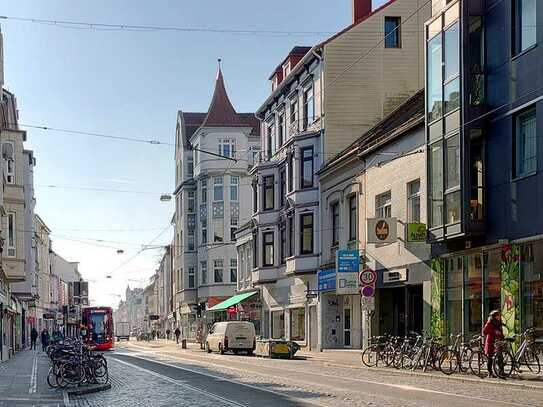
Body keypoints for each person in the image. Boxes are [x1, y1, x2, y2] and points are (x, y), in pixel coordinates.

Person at [483, 310, 504, 378]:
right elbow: (484, 331)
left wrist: (502, 337)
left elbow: (500, 331)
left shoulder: (499, 322)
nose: (499, 317)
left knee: (500, 356)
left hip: (498, 341)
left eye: (499, 315)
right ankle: (490, 372)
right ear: (494, 316)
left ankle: (500, 371)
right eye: (497, 315)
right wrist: (494, 332)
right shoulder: (490, 322)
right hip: (491, 341)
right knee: (490, 357)